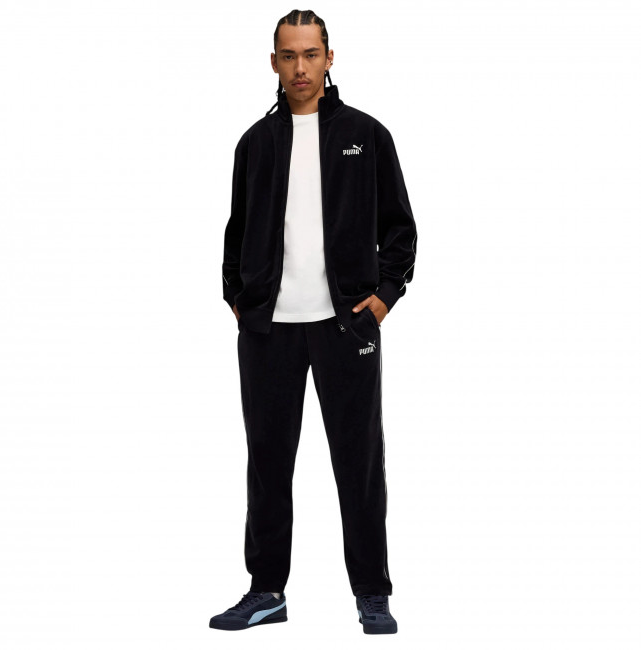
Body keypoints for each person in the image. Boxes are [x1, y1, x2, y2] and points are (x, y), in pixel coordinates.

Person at [210, 9, 417, 635]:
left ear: (329, 58)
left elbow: (400, 229)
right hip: (268, 330)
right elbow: (236, 232)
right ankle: (266, 591)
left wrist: (383, 297)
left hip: (345, 324)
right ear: (273, 62)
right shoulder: (255, 143)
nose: (299, 67)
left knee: (360, 464)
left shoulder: (366, 135)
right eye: (288, 55)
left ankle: (372, 592)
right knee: (268, 463)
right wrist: (239, 298)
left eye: (310, 54)